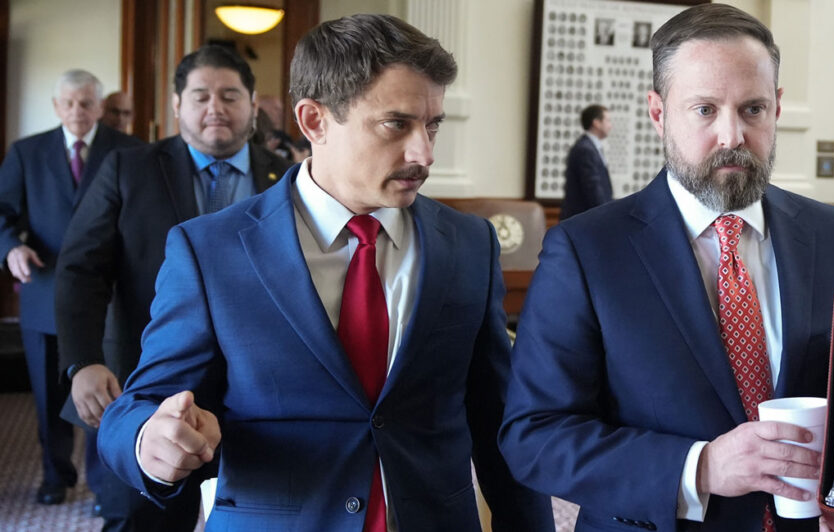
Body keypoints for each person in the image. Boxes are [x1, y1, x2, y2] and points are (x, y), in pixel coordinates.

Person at [96, 15, 555, 531]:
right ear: (314, 121)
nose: (424, 153)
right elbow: (140, 402)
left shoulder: (469, 244)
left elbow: (496, 417)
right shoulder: (211, 250)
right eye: (396, 124)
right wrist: (147, 440)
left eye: (432, 126)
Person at [499, 4, 834, 532]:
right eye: (704, 110)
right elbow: (535, 436)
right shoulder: (586, 252)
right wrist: (700, 467)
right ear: (658, 113)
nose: (732, 136)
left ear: (777, 108)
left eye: (752, 109)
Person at [55, 45, 290, 531]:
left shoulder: (287, 179)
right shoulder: (128, 169)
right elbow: (81, 270)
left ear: (252, 104)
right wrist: (83, 361)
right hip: (148, 384)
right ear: (177, 104)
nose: (215, 108)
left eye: (230, 95)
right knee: (140, 518)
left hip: (260, 392)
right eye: (200, 95)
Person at [0, 70, 142, 507]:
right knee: (48, 396)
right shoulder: (27, 151)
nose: (78, 111)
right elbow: (2, 213)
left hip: (108, 298)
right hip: (44, 290)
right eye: (69, 103)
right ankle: (54, 476)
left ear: (100, 107)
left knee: (105, 393)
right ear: (57, 106)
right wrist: (10, 250)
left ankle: (105, 484)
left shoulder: (131, 151)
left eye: (86, 103)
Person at [560, 104, 613, 220]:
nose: (611, 126)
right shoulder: (585, 149)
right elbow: (592, 188)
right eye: (608, 121)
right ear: (596, 123)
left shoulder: (590, 147)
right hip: (583, 220)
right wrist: (607, 214)